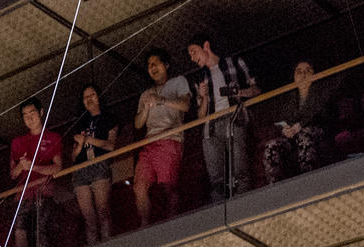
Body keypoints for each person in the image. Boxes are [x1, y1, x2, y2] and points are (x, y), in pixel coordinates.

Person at [187, 36, 256, 201]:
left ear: (206, 46)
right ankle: (220, 213)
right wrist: (203, 97)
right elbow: (201, 115)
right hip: (210, 127)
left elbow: (256, 89)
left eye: (193, 51)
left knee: (240, 170)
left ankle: (243, 208)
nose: (192, 58)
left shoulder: (234, 62)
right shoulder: (199, 78)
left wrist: (239, 93)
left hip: (235, 118)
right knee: (216, 178)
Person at [132, 50, 189, 227]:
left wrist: (161, 100)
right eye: (149, 65)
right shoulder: (145, 94)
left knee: (168, 185)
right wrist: (148, 107)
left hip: (170, 138)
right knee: (139, 186)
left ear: (166, 65)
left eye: (155, 63)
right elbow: (137, 124)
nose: (152, 68)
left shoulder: (179, 81)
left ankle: (172, 223)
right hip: (149, 143)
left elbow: (185, 105)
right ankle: (145, 225)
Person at [263, 60, 338, 183]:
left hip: (317, 132)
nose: (303, 75)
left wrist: (301, 125)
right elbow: (278, 119)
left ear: (314, 74)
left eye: (307, 71)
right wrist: (284, 129)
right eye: (299, 72)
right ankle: (275, 187)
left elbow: (322, 113)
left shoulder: (321, 92)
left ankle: (308, 180)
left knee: (304, 135)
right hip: (292, 137)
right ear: (294, 76)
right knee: (271, 146)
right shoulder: (289, 96)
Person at [7, 99, 63, 247]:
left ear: (41, 112)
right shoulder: (17, 142)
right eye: (25, 115)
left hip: (42, 192)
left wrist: (34, 167)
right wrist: (21, 166)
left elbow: (57, 167)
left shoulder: (52, 138)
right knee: (19, 230)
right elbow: (13, 173)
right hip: (23, 195)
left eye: (32, 113)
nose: (29, 118)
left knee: (40, 228)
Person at [68, 85, 119, 246]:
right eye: (85, 97)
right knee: (88, 217)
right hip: (80, 169)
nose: (89, 99)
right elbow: (73, 156)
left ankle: (107, 245)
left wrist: (89, 140)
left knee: (103, 210)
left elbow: (111, 145)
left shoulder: (108, 118)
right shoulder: (79, 123)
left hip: (99, 165)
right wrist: (80, 144)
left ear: (99, 97)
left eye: (92, 95)